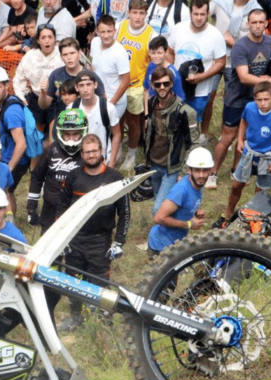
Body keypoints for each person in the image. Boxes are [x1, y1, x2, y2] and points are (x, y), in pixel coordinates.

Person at [56, 134, 130, 330]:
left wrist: (119, 242)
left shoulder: (115, 178)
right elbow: (61, 209)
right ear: (82, 154)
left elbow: (125, 213)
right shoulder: (73, 176)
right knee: (72, 281)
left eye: (94, 151)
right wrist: (60, 240)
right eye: (87, 152)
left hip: (101, 240)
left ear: (101, 152)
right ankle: (75, 318)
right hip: (75, 239)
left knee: (100, 283)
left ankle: (103, 322)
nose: (91, 155)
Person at [207, 8, 271, 189]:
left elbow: (269, 66)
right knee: (228, 137)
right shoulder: (240, 46)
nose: (257, 26)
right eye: (253, 22)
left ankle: (236, 169)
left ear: (266, 24)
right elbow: (244, 76)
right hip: (236, 97)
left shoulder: (270, 41)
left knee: (247, 137)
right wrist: (268, 80)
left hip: (256, 99)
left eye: (261, 22)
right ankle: (212, 173)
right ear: (248, 24)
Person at [213, 81, 271, 228]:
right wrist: (240, 139)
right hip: (249, 153)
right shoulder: (250, 108)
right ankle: (227, 215)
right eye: (259, 100)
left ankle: (254, 222)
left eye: (266, 99)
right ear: (254, 99)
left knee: (260, 192)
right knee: (236, 185)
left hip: (267, 157)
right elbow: (243, 121)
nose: (262, 103)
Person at [167, 0, 226, 147]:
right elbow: (169, 53)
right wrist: (171, 73)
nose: (198, 18)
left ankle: (191, 149)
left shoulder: (215, 35)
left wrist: (202, 77)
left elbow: (220, 62)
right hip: (177, 87)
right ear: (190, 13)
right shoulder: (178, 29)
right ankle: (174, 148)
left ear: (208, 14)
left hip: (200, 90)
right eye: (195, 14)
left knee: (193, 121)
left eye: (202, 14)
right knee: (174, 118)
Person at [144, 66, 200, 216]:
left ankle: (163, 233)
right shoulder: (151, 102)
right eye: (157, 84)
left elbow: (194, 144)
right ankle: (167, 234)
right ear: (152, 85)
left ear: (171, 84)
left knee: (158, 209)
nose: (162, 87)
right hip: (154, 163)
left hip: (172, 168)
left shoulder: (186, 112)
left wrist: (184, 171)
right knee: (160, 202)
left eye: (166, 84)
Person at [27, 109, 88, 233]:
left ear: (83, 132)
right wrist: (31, 209)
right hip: (50, 211)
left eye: (75, 134)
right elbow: (37, 178)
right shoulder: (50, 151)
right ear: (60, 132)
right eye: (67, 134)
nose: (71, 139)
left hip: (78, 211)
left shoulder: (88, 154)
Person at [116, 0, 157, 171]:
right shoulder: (119, 27)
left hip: (136, 84)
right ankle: (116, 147)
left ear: (146, 14)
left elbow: (155, 61)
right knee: (116, 118)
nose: (138, 17)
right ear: (129, 12)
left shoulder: (151, 34)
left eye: (141, 13)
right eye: (135, 12)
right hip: (117, 81)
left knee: (133, 121)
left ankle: (131, 154)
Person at [147, 147, 212, 254]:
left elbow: (184, 204)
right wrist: (189, 224)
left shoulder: (198, 184)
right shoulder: (181, 191)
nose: (201, 175)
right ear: (189, 170)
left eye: (205, 170)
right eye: (197, 170)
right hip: (161, 247)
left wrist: (195, 211)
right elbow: (158, 218)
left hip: (175, 244)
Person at [0, 65, 30, 217]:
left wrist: (9, 168)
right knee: (7, 190)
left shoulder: (11, 111)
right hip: (9, 156)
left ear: (7, 85)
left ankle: (10, 223)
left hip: (16, 159)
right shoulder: (9, 101)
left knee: (5, 190)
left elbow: (21, 144)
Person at [39, 38, 105, 134]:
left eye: (72, 53)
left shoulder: (90, 76)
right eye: (65, 54)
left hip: (86, 124)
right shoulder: (56, 75)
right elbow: (44, 105)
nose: (69, 57)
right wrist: (43, 92)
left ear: (79, 54)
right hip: (62, 123)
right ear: (61, 57)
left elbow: (103, 100)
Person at [12, 24, 64, 134]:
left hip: (56, 100)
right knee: (37, 133)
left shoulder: (62, 54)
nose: (47, 41)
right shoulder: (30, 56)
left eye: (50, 37)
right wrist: (21, 97)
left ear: (54, 39)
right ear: (38, 40)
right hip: (36, 98)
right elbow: (18, 78)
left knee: (53, 131)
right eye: (43, 38)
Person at [69, 70, 122, 168]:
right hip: (79, 161)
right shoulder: (71, 109)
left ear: (95, 85)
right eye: (81, 85)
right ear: (76, 88)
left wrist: (112, 162)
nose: (85, 89)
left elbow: (117, 134)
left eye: (89, 84)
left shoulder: (108, 108)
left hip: (103, 159)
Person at [90, 15, 131, 139]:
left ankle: (112, 154)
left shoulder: (119, 53)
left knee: (106, 132)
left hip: (114, 101)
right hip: (97, 98)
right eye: (102, 31)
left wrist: (111, 104)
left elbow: (125, 81)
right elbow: (94, 65)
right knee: (96, 131)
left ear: (115, 31)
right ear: (97, 31)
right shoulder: (94, 42)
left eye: (109, 31)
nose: (106, 35)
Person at [143, 35, 185, 110]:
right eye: (153, 53)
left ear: (166, 52)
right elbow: (146, 90)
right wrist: (147, 113)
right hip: (152, 110)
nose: (156, 56)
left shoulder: (173, 74)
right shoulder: (151, 66)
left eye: (159, 53)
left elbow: (179, 99)